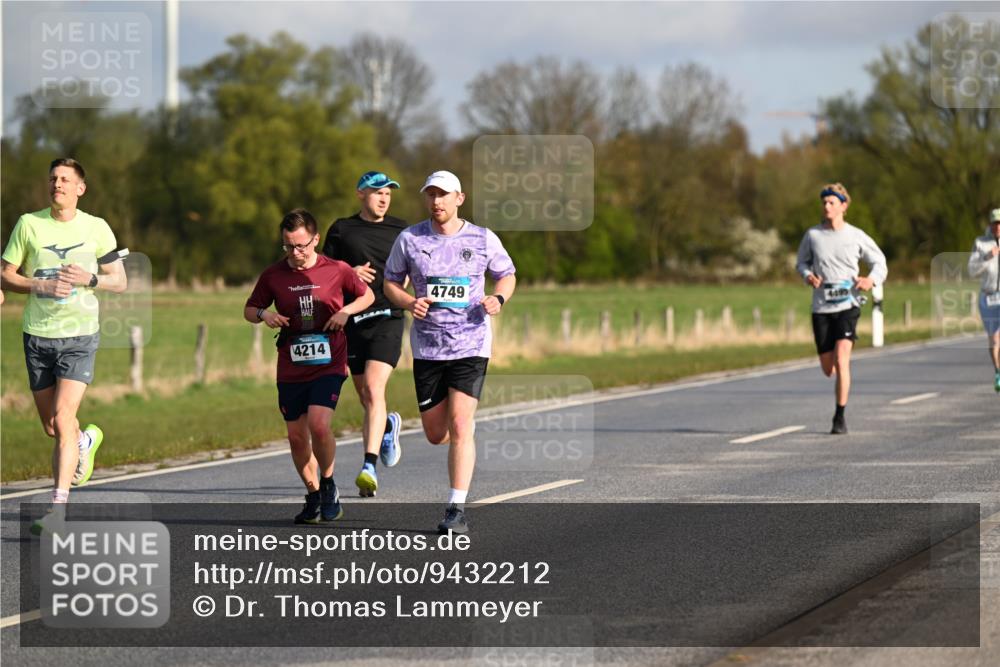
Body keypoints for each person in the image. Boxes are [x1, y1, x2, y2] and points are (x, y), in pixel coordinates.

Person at [384, 171, 516, 534]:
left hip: (471, 343)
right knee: (435, 433)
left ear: (459, 198)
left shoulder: (482, 238)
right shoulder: (410, 239)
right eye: (431, 194)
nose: (436, 201)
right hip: (428, 347)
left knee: (460, 425)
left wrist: (498, 297)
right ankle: (415, 428)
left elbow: (507, 274)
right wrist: (409, 302)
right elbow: (390, 282)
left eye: (443, 194)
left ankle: (456, 509)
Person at [1, 158, 127, 534]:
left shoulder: (96, 227)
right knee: (53, 427)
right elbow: (6, 274)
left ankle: (57, 511)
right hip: (37, 334)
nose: (57, 184)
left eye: (65, 180)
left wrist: (90, 278)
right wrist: (39, 285)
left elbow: (119, 281)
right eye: (53, 179)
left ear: (80, 188)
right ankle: (84, 440)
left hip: (80, 335)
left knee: (62, 416)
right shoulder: (29, 224)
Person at [245, 209, 374, 524]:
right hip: (291, 361)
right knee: (296, 437)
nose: (295, 253)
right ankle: (313, 493)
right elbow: (250, 308)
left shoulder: (337, 269)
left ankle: (328, 484)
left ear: (315, 240)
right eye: (288, 246)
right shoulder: (274, 275)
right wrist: (265, 315)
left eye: (301, 245)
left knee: (318, 425)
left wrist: (346, 312)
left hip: (329, 358)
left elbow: (367, 295)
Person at [323, 171, 408, 498]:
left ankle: (368, 467)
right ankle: (386, 426)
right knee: (366, 397)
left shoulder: (402, 230)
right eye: (377, 192)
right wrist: (348, 272)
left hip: (388, 317)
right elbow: (322, 271)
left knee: (373, 389)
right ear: (361, 193)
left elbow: (415, 265)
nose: (384, 198)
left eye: (388, 193)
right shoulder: (342, 229)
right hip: (353, 320)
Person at [795, 182, 888, 435]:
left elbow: (879, 261)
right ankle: (838, 377)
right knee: (829, 369)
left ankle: (839, 416)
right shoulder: (813, 235)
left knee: (842, 358)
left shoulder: (856, 235)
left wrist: (871, 280)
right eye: (824, 202)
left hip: (849, 304)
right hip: (821, 307)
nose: (826, 206)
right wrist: (808, 275)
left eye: (831, 202)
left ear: (843, 206)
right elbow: (801, 263)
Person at [967, 208, 1000, 393]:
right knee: (994, 339)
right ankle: (998, 372)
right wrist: (987, 257)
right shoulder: (980, 243)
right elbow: (972, 270)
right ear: (990, 224)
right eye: (995, 223)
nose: (998, 227)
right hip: (988, 296)